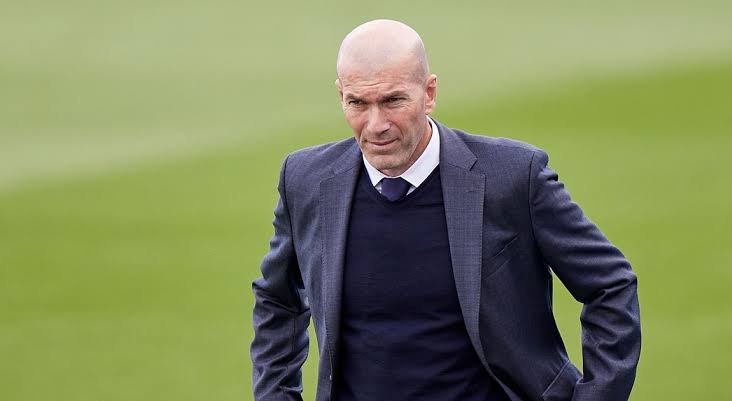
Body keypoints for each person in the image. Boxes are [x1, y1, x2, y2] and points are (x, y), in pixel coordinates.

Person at [251, 19, 641, 401]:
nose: (376, 124)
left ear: (429, 92)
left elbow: (610, 284)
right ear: (341, 96)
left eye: (393, 100)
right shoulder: (305, 180)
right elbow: (277, 300)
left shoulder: (513, 177)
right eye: (358, 103)